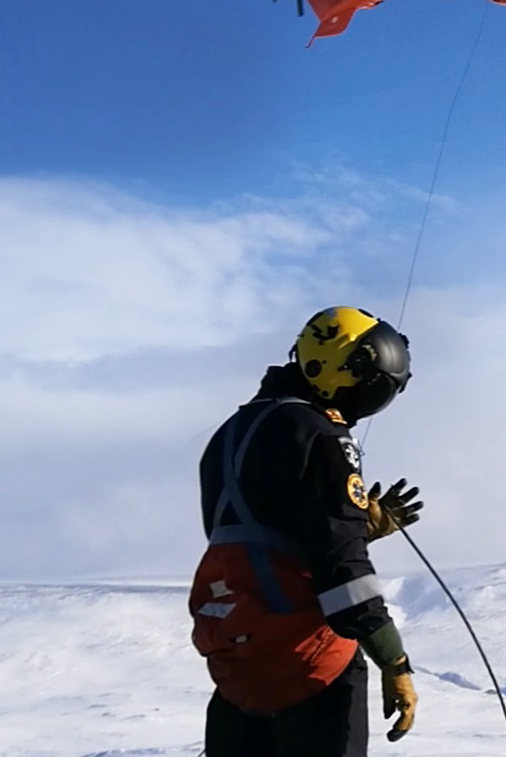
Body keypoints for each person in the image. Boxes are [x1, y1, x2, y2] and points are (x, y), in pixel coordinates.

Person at [190, 306, 426, 756]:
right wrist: (393, 659)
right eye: (373, 381)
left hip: (238, 667)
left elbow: (259, 537)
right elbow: (343, 573)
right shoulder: (323, 434)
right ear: (338, 368)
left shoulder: (227, 435)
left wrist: (355, 527)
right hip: (311, 666)